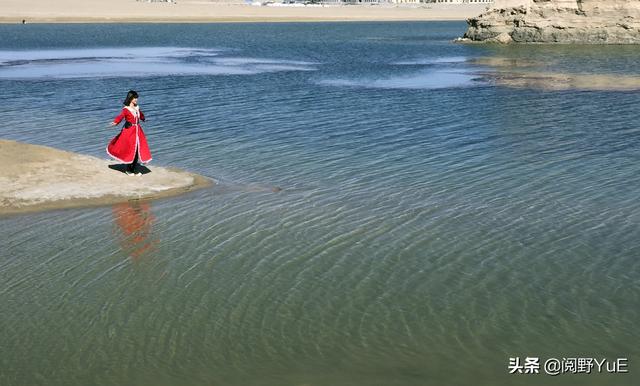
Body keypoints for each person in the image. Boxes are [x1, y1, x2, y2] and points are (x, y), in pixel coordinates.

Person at [107, 90, 152, 176]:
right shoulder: (126, 109)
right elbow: (121, 116)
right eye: (135, 98)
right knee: (131, 150)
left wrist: (144, 119)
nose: (136, 99)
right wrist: (115, 122)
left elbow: (141, 115)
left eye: (136, 98)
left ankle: (133, 169)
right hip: (129, 132)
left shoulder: (137, 107)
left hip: (138, 131)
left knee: (137, 150)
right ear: (130, 98)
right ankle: (128, 170)